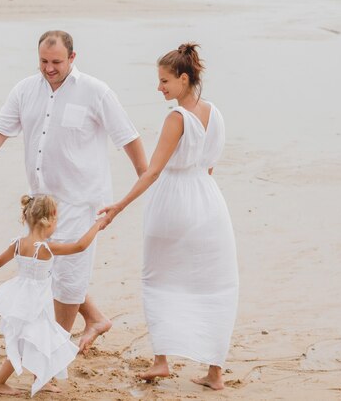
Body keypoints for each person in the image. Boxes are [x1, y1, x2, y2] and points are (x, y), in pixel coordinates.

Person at [0, 30, 147, 353]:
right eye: (43, 61)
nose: (49, 68)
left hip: (82, 200)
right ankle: (95, 319)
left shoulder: (96, 92)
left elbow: (128, 138)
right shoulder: (25, 89)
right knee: (40, 265)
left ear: (73, 58)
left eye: (56, 62)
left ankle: (54, 348)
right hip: (41, 201)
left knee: (69, 276)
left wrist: (145, 179)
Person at [98, 43, 239, 390]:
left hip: (173, 204)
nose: (159, 88)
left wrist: (118, 206)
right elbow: (209, 165)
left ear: (184, 78)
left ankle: (162, 360)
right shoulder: (214, 113)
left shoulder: (177, 118)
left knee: (159, 280)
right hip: (209, 205)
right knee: (213, 284)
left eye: (164, 81)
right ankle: (214, 373)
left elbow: (152, 172)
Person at [0, 194, 104, 396]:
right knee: (24, 342)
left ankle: (41, 379)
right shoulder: (45, 248)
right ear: (51, 219)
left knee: (36, 338)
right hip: (35, 301)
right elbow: (80, 246)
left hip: (22, 297)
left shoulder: (19, 243)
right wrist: (98, 225)